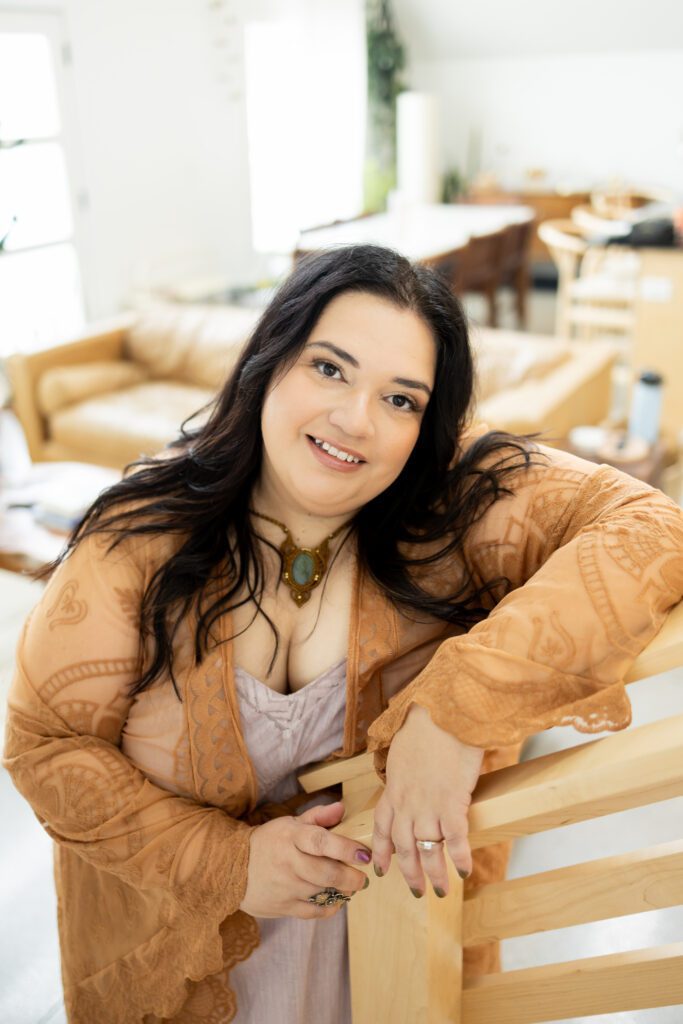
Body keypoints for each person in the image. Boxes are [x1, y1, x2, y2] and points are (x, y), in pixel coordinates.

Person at [4, 244, 683, 1024]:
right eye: (329, 368)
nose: (355, 420)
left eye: (401, 400)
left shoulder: (457, 507)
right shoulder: (137, 538)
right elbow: (45, 746)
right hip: (181, 968)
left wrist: (452, 715)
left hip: (391, 967)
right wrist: (225, 862)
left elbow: (650, 525)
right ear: (270, 359)